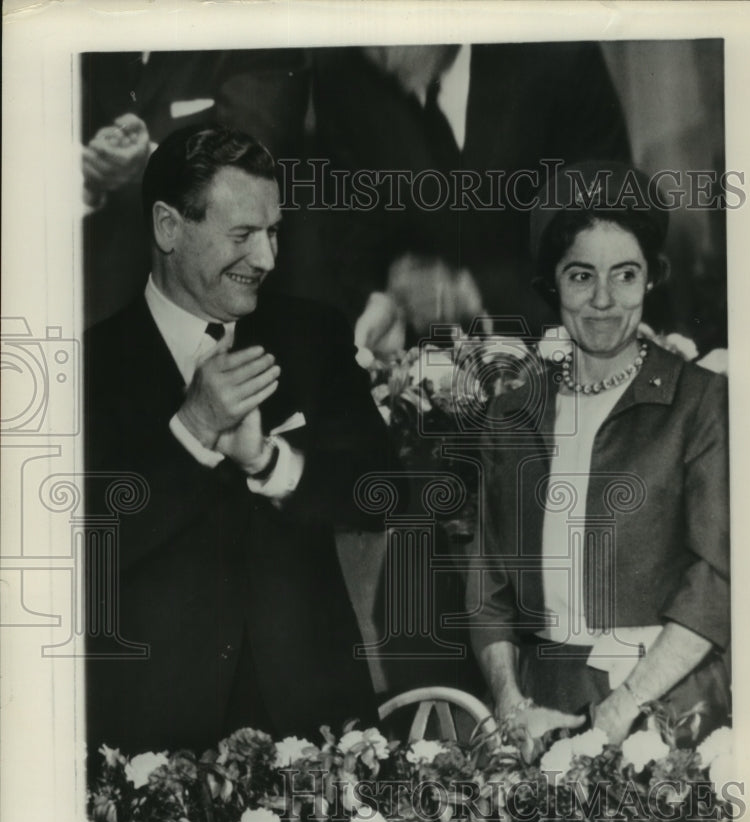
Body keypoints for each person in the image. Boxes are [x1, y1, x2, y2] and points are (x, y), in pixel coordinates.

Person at [84, 126, 401, 760]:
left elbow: (381, 494)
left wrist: (269, 462)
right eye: (243, 236)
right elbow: (80, 556)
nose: (267, 259)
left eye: (274, 232)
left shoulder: (312, 335)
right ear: (169, 227)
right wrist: (193, 429)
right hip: (158, 751)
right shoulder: (90, 366)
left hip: (319, 734)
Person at [467, 162, 730, 748]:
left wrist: (620, 710)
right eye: (582, 276)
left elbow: (717, 580)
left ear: (650, 280)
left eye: (626, 275)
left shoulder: (700, 400)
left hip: (665, 708)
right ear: (552, 284)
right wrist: (510, 703)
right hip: (542, 710)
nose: (605, 300)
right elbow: (487, 587)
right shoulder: (512, 414)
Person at [310, 42, 631, 353]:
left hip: (568, 347)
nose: (384, 57)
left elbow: (610, 244)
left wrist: (475, 292)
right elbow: (353, 242)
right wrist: (386, 296)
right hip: (429, 363)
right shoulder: (343, 74)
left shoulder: (560, 56)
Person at [81, 49, 310, 326]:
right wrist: (92, 176)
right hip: (97, 281)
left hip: (227, 301)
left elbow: (250, 164)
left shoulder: (257, 29)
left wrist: (150, 161)